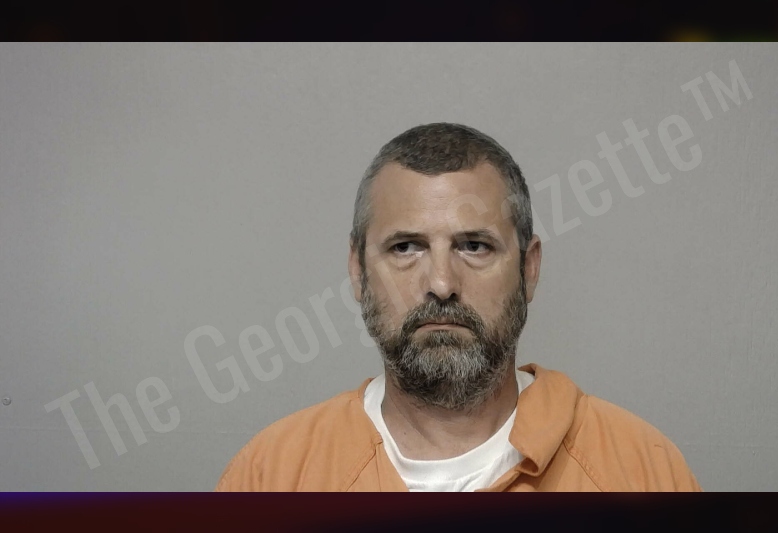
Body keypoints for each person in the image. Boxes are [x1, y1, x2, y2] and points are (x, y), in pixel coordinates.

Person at [215, 123, 701, 492]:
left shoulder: (644, 471)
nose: (442, 284)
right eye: (406, 247)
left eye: (474, 246)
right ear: (358, 271)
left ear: (529, 268)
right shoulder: (270, 476)